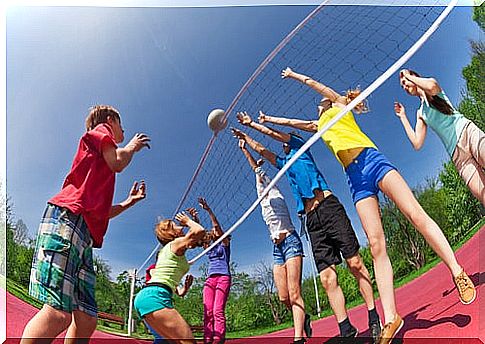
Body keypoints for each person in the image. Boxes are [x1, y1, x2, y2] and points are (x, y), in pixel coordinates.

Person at [259, 67, 476, 343]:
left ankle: (457, 271)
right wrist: (267, 120)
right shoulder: (318, 126)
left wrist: (293, 75)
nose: (319, 104)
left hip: (373, 161)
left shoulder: (339, 104)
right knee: (375, 245)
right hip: (355, 179)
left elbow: (316, 83)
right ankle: (391, 318)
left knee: (414, 214)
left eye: (321, 102)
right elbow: (291, 123)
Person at [232, 115, 381, 342]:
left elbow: (272, 134)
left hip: (329, 207)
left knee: (355, 263)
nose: (281, 143)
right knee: (327, 279)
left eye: (284, 141)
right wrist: (246, 138)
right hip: (311, 220)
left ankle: (373, 317)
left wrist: (252, 123)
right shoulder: (284, 163)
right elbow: (263, 150)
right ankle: (346, 330)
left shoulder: (300, 146)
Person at [21, 105, 150, 344]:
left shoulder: (100, 168)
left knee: (87, 319)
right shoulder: (100, 132)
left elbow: (101, 213)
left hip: (84, 233)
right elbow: (118, 162)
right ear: (110, 120)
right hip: (68, 220)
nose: (123, 130)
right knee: (58, 313)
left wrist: (129, 202)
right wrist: (132, 145)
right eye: (121, 125)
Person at [236, 138, 312, 344]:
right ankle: (303, 317)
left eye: (262, 175)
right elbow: (255, 173)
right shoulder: (261, 197)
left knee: (295, 292)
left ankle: (298, 338)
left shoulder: (274, 190)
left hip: (290, 241)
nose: (260, 177)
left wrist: (249, 153)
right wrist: (243, 150)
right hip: (277, 248)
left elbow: (257, 169)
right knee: (284, 297)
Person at [395, 69, 484, 206]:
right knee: (482, 194)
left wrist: (407, 75)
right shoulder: (420, 112)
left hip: (467, 132)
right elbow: (417, 143)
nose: (404, 86)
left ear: (414, 77)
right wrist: (403, 117)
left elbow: (431, 87)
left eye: (405, 82)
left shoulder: (431, 85)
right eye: (402, 86)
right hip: (459, 156)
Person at [134, 212, 208, 344]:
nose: (180, 226)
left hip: (149, 296)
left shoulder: (170, 249)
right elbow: (199, 231)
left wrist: (185, 288)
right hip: (155, 296)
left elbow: (197, 239)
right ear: (172, 233)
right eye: (175, 225)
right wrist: (187, 221)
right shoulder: (176, 243)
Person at [187, 198, 232, 344]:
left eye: (214, 231)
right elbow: (199, 233)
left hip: (223, 277)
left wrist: (208, 209)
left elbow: (216, 226)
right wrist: (195, 218)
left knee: (217, 310)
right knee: (208, 312)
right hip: (210, 279)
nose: (213, 230)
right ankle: (207, 340)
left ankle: (218, 340)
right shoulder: (209, 247)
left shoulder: (225, 243)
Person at [145, 263, 169, 344]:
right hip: (149, 302)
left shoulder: (169, 279)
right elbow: (154, 274)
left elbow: (180, 293)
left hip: (163, 305)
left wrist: (186, 287)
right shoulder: (155, 267)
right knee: (162, 337)